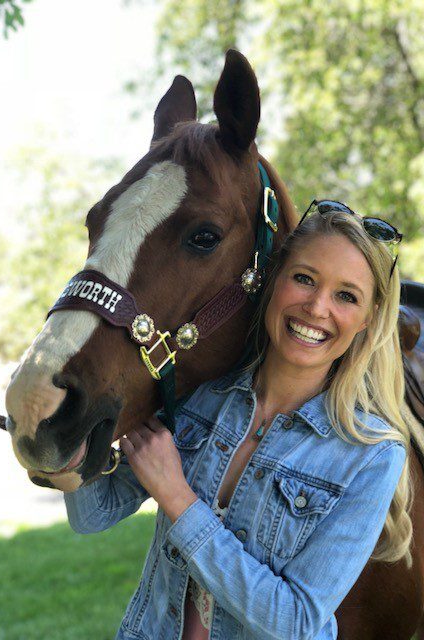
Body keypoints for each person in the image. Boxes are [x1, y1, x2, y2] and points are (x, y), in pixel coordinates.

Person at [64, 202, 412, 640]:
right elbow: (94, 512)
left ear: (368, 319)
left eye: (347, 296)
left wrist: (177, 497)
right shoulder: (199, 396)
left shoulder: (372, 456)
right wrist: (63, 433)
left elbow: (296, 621)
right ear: (273, 281)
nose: (317, 308)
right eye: (304, 279)